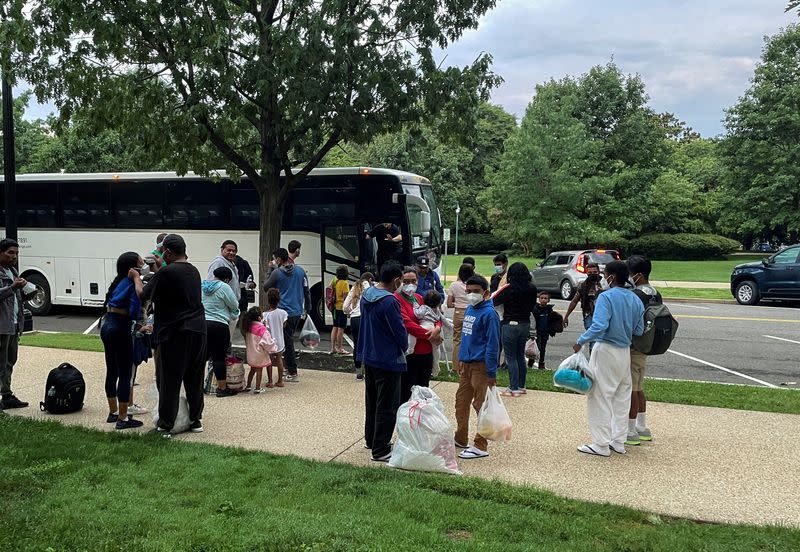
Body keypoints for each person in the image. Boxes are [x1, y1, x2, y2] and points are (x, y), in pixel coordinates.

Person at [573, 260, 645, 457]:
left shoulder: (606, 297)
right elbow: (639, 330)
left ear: (611, 277)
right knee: (621, 397)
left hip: (605, 349)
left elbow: (599, 325)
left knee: (599, 396)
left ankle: (600, 444)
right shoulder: (635, 299)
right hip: (625, 353)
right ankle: (618, 441)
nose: (604, 278)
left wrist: (581, 340)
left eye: (606, 274)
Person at [139, 234, 207, 438]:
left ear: (167, 252)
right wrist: (161, 269)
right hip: (198, 329)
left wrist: (136, 278)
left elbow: (144, 293)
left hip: (175, 332)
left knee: (170, 379)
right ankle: (196, 419)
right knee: (195, 376)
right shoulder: (193, 271)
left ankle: (166, 424)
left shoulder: (166, 272)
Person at [357, 262, 408, 462]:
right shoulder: (389, 301)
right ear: (396, 280)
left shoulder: (366, 296)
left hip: (369, 355)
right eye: (402, 280)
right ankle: (380, 449)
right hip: (387, 358)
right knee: (387, 405)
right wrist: (404, 347)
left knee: (372, 401)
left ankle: (371, 439)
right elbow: (398, 330)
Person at [454, 274, 500, 460]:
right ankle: (460, 437)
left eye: (476, 292)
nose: (472, 295)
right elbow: (466, 339)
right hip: (467, 365)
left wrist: (491, 372)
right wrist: (462, 360)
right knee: (461, 401)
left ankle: (480, 444)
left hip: (481, 366)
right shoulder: (470, 309)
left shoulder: (489, 314)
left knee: (481, 405)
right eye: (468, 291)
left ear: (486, 293)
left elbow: (493, 345)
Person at [100, 252, 146, 429]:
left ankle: (113, 413)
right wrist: (137, 279)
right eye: (141, 264)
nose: (144, 266)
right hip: (121, 327)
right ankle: (123, 418)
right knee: (126, 373)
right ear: (133, 268)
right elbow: (135, 311)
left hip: (108, 325)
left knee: (112, 370)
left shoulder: (117, 281)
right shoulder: (132, 283)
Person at [625, 255, 660, 446]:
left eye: (630, 273)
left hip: (634, 345)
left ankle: (630, 430)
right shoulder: (655, 292)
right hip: (647, 345)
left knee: (631, 388)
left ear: (637, 274)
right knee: (639, 386)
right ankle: (642, 426)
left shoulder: (637, 294)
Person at [262, 247, 311, 382]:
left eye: (274, 258)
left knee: (287, 342)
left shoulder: (277, 273)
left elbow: (266, 287)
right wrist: (307, 307)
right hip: (297, 311)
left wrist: (270, 269)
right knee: (287, 339)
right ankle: (286, 367)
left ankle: (292, 370)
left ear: (278, 259)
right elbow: (306, 290)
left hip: (282, 311)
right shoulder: (301, 271)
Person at [0, 238, 37, 411]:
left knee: (10, 361)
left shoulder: (12, 271)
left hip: (13, 324)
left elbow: (17, 298)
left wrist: (28, 293)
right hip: (2, 324)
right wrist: (13, 287)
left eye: (16, 253)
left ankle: (7, 396)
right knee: (1, 361)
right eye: (10, 253)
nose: (14, 257)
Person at [492, 262, 538, 397]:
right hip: (525, 324)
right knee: (519, 356)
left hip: (509, 323)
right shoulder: (532, 288)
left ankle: (513, 388)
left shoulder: (509, 288)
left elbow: (493, 300)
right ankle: (521, 386)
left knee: (510, 357)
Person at [396, 268, 443, 402]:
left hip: (426, 352)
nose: (410, 284)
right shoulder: (397, 299)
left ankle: (421, 419)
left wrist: (437, 329)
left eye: (413, 281)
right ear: (399, 282)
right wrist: (431, 335)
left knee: (424, 390)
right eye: (405, 281)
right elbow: (407, 324)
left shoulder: (419, 298)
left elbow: (436, 315)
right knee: (406, 391)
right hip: (410, 354)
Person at [201, 266, 240, 397]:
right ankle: (222, 388)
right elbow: (234, 305)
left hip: (201, 324)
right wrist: (234, 314)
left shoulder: (201, 285)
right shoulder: (224, 287)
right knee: (218, 357)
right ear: (227, 279)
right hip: (219, 325)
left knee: (200, 357)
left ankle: (197, 386)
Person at [564, 263, 603, 353]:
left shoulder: (604, 284)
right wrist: (566, 316)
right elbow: (574, 301)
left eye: (595, 272)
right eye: (590, 272)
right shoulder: (583, 285)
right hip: (588, 315)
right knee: (593, 337)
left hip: (602, 316)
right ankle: (592, 361)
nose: (592, 274)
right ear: (586, 272)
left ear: (599, 271)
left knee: (600, 339)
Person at [409, 290, 452, 371]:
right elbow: (442, 319)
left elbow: (418, 314)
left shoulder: (423, 307)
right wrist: (449, 326)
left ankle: (410, 348)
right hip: (433, 327)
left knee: (412, 335)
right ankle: (436, 367)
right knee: (436, 350)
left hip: (424, 326)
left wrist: (415, 306)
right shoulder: (437, 310)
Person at [344, 272, 374, 380]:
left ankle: (358, 372)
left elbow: (345, 306)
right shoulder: (369, 287)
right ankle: (368, 370)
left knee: (357, 344)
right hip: (365, 318)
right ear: (370, 279)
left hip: (354, 319)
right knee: (368, 344)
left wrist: (350, 311)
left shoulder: (354, 288)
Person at [241, 307, 277, 394]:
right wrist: (274, 346)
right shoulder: (261, 329)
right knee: (259, 370)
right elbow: (267, 343)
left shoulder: (248, 327)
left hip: (251, 354)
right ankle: (257, 388)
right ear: (259, 317)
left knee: (252, 370)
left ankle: (248, 386)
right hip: (259, 354)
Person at [447, 263, 474, 369]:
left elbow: (449, 304)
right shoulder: (473, 285)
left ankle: (456, 366)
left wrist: (457, 303)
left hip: (458, 313)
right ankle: (468, 364)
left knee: (457, 340)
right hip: (471, 312)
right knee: (470, 339)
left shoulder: (454, 285)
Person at [263, 288, 287, 388]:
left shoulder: (265, 315)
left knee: (270, 360)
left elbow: (264, 328)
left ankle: (270, 381)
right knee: (279, 359)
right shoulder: (283, 313)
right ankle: (280, 380)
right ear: (279, 300)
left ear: (268, 300)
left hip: (269, 341)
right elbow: (284, 324)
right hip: (280, 340)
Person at [330, 265, 351, 355]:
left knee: (335, 327)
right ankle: (340, 348)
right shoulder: (345, 283)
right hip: (342, 308)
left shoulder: (335, 280)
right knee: (341, 329)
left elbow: (330, 288)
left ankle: (333, 348)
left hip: (335, 307)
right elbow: (345, 297)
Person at [532, 291, 554, 370]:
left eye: (545, 298)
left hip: (545, 332)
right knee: (535, 347)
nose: (543, 300)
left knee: (543, 348)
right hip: (537, 332)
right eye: (541, 298)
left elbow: (552, 321)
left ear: (548, 300)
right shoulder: (536, 309)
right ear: (539, 299)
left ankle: (541, 363)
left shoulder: (549, 310)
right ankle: (531, 361)